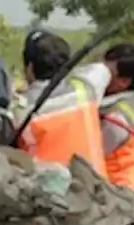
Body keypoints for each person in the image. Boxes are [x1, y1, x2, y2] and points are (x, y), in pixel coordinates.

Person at [14, 28, 107, 173]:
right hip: (96, 186)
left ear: (30, 67)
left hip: (48, 190)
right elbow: (102, 70)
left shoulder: (20, 110)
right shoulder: (86, 90)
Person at [98, 43, 134, 191]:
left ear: (123, 82)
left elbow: (91, 154)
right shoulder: (106, 100)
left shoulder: (117, 118)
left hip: (117, 190)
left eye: (106, 72)